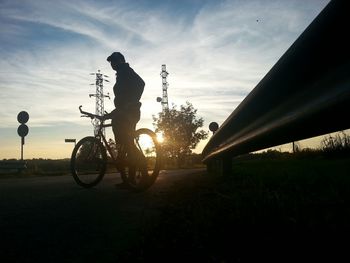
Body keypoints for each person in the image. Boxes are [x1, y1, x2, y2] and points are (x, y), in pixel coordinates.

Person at [106, 52, 146, 179]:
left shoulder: (127, 71)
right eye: (111, 62)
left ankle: (141, 171)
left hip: (129, 112)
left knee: (127, 144)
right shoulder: (121, 74)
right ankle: (128, 179)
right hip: (121, 112)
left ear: (122, 60)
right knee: (123, 146)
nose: (113, 64)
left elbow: (141, 83)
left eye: (115, 61)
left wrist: (132, 102)